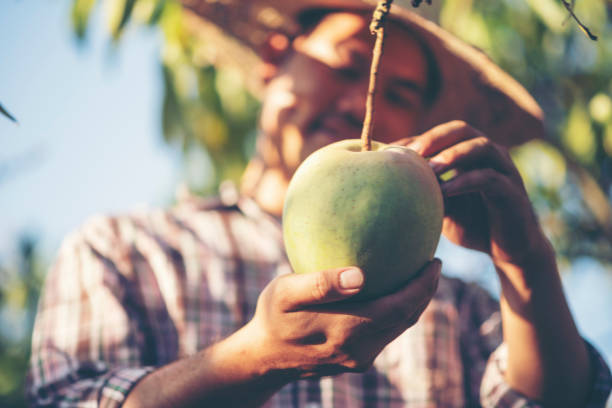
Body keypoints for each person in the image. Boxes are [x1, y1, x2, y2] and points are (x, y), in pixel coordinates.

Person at [27, 2, 611, 407]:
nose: (365, 99)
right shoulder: (128, 252)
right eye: (346, 64)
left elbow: (549, 401)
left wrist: (525, 256)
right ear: (275, 55)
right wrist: (255, 359)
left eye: (400, 95)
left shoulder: (453, 304)